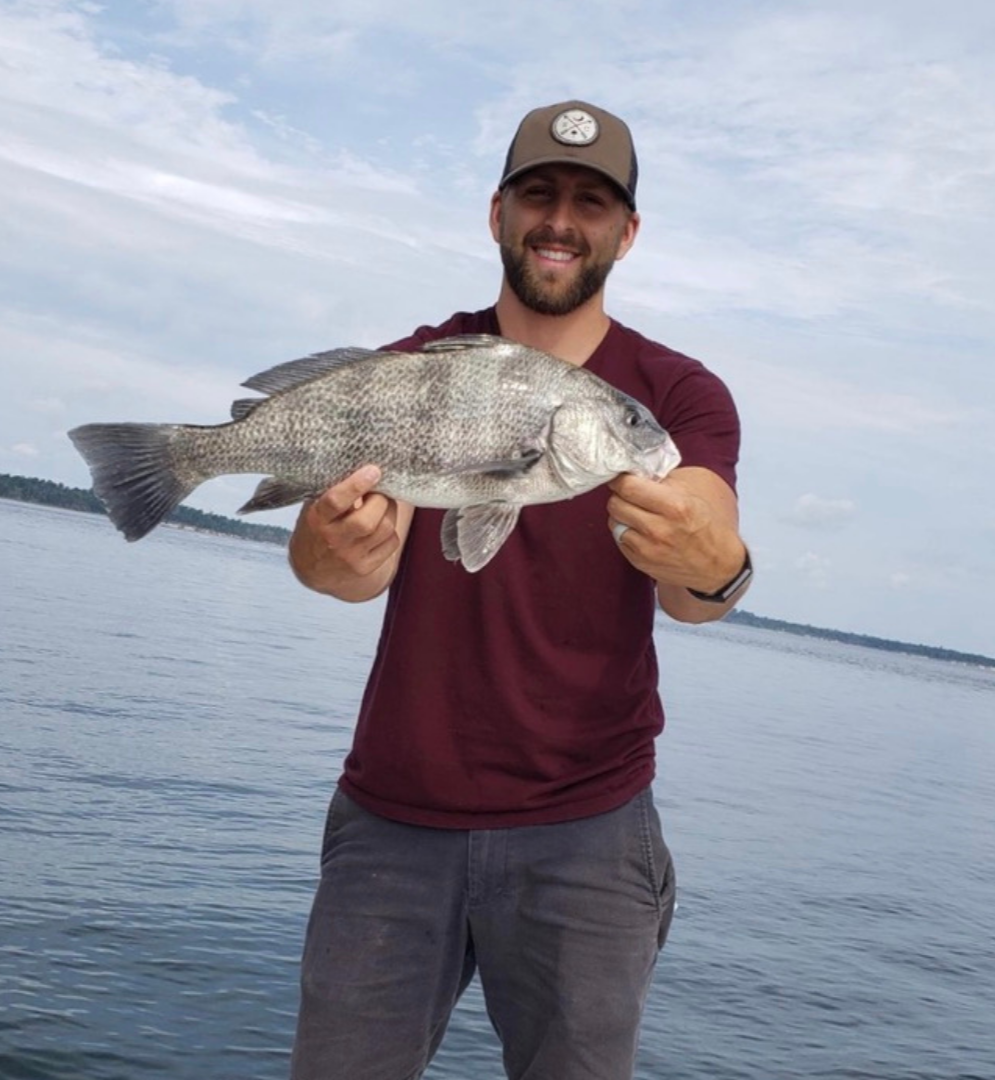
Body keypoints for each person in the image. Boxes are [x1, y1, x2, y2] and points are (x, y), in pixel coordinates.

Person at [287, 100, 751, 1080]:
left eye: (590, 202)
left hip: (588, 836)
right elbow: (327, 566)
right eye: (538, 194)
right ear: (496, 212)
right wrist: (335, 556)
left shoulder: (674, 395)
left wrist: (713, 561)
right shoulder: (413, 365)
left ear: (626, 233)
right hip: (390, 824)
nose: (559, 220)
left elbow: (697, 579)